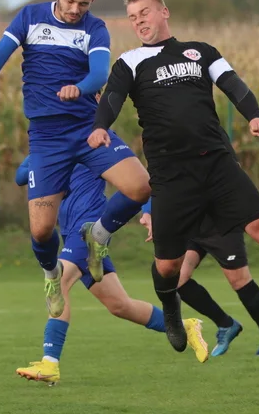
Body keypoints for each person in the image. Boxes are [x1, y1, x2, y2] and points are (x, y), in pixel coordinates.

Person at [88, 0, 259, 357]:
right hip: (172, 176)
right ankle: (173, 313)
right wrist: (101, 125)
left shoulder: (200, 51)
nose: (139, 21)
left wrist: (253, 113)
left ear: (164, 12)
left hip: (217, 164)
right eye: (132, 17)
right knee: (168, 266)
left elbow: (233, 84)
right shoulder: (129, 62)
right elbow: (112, 97)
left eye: (145, 12)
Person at [0, 0, 151, 315]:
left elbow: (99, 74)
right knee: (42, 232)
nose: (76, 10)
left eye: (85, 3)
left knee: (140, 187)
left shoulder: (95, 29)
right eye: (71, 0)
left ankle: (98, 237)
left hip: (88, 129)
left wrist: (79, 88)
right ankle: (51, 273)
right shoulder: (29, 18)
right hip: (47, 139)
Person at [13, 153, 209, 385]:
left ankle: (50, 363)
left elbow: (140, 180)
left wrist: (148, 211)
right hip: (68, 231)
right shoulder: (50, 147)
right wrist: (45, 163)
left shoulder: (91, 148)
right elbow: (20, 176)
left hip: (89, 227)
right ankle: (186, 326)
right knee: (120, 305)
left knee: (60, 281)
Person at [138, 200, 259, 357]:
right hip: (191, 223)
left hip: (221, 222)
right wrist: (148, 212)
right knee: (178, 278)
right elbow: (157, 183)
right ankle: (226, 324)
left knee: (239, 279)